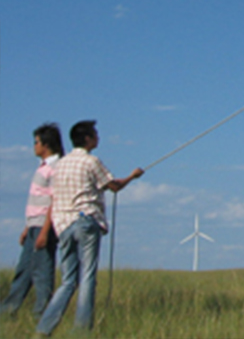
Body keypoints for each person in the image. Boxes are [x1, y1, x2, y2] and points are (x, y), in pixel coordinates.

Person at [36, 120, 144, 336]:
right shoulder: (91, 161)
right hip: (85, 221)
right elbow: (114, 186)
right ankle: (81, 331)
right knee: (87, 277)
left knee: (68, 281)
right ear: (87, 139)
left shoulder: (61, 164)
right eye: (95, 134)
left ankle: (44, 329)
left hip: (62, 225)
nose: (98, 138)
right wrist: (133, 176)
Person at [0, 123, 64, 319]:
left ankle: (42, 315)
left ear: (46, 144)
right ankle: (7, 311)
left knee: (42, 272)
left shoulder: (56, 167)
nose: (34, 146)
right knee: (24, 271)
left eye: (36, 142)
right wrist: (27, 227)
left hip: (44, 226)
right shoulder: (43, 167)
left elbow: (54, 200)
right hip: (34, 225)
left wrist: (44, 231)